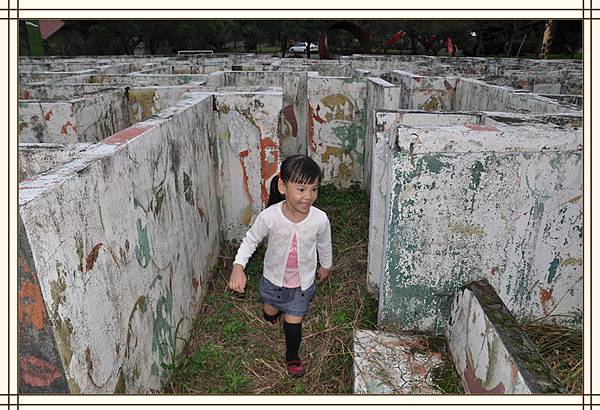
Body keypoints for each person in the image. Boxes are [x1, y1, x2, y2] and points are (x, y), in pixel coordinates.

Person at [228, 154, 332, 378]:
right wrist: (238, 266)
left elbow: (324, 244)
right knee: (270, 312)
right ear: (283, 187)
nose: (308, 196)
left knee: (293, 322)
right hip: (273, 281)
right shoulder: (270, 217)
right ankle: (271, 313)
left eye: (314, 189)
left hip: (301, 284)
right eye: (301, 189)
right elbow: (251, 240)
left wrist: (326, 265)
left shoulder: (320, 219)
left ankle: (292, 356)